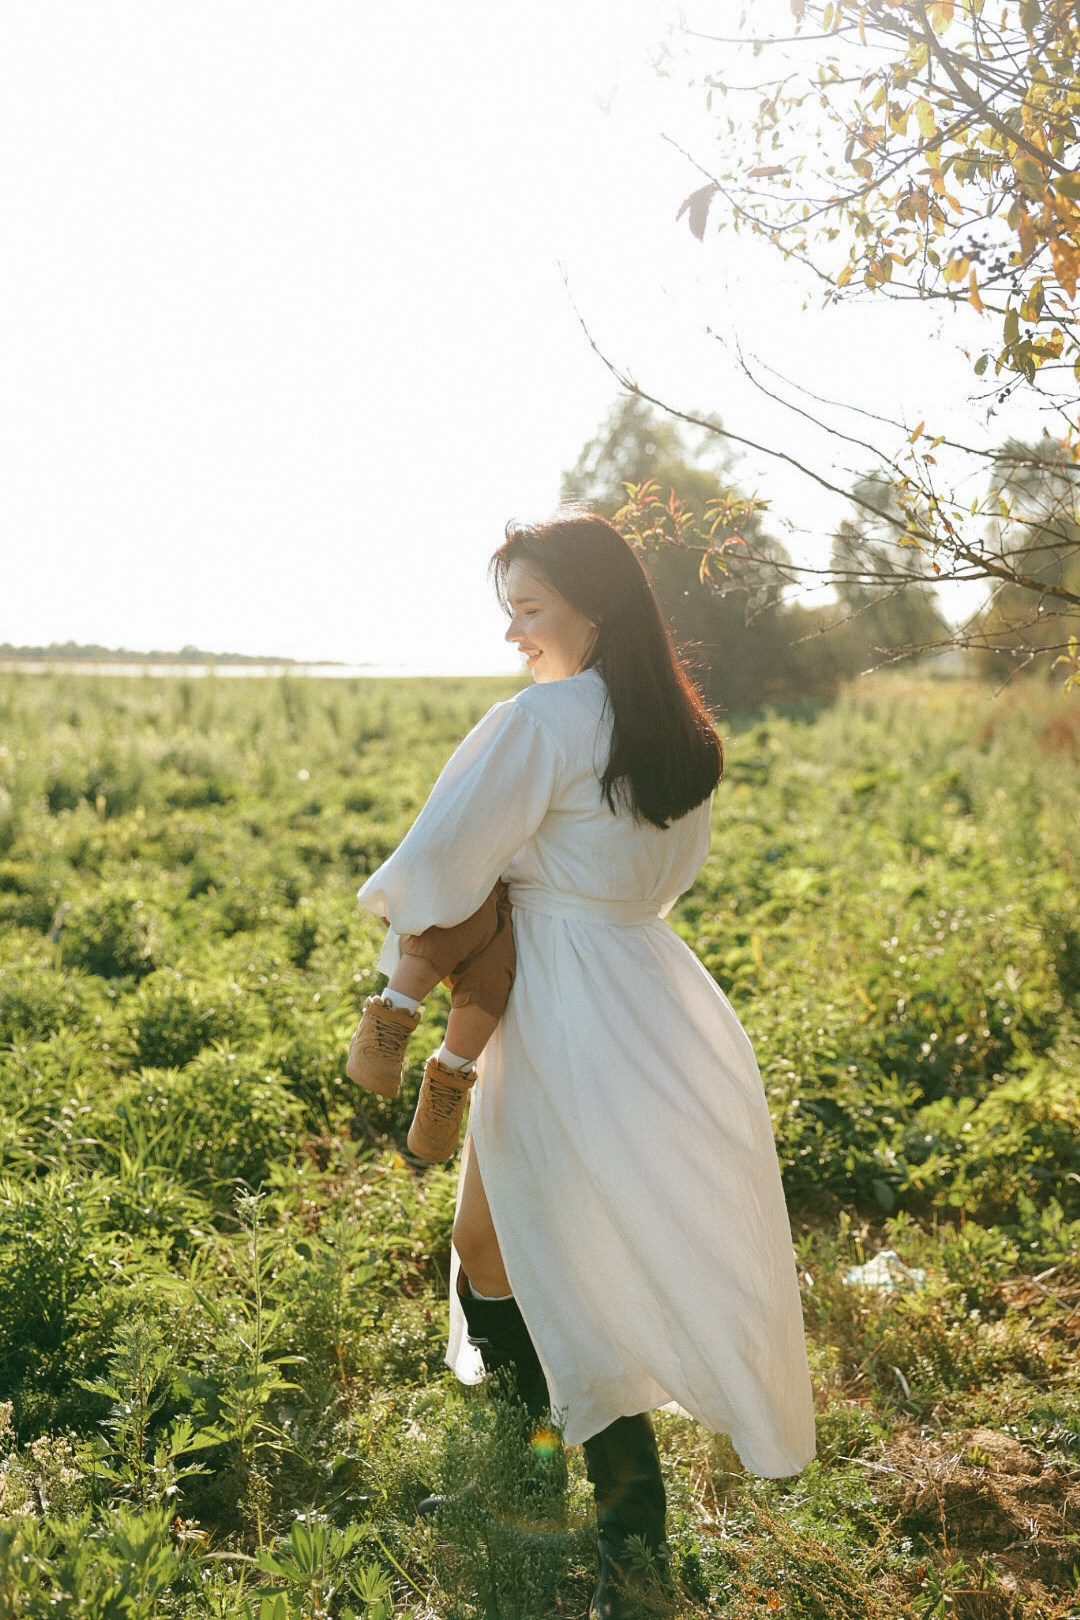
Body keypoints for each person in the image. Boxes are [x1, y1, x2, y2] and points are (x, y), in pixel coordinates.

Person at [354, 513, 816, 1618]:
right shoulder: (684, 734)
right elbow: (657, 880)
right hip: (651, 991)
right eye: (508, 609)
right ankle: (541, 1436)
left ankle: (628, 1533)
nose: (514, 632)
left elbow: (441, 866)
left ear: (592, 609)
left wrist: (409, 965)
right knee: (488, 1236)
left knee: (559, 1251)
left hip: (561, 996)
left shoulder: (540, 721)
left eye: (530, 608)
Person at [345, 878, 515, 1161]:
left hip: (504, 891)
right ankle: (388, 1028)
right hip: (477, 876)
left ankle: (444, 1085)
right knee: (460, 922)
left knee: (492, 971)